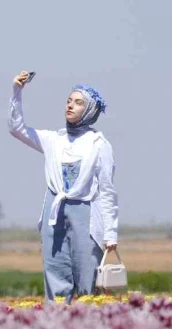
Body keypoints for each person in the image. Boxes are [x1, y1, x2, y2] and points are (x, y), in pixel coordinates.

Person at [8, 70, 119, 303]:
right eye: (69, 101)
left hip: (86, 213)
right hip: (55, 210)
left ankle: (90, 318)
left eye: (78, 103)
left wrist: (110, 233)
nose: (70, 105)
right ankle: (56, 318)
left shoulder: (99, 144)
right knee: (55, 271)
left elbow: (107, 191)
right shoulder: (53, 139)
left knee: (88, 275)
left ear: (90, 110)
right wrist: (17, 91)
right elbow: (16, 128)